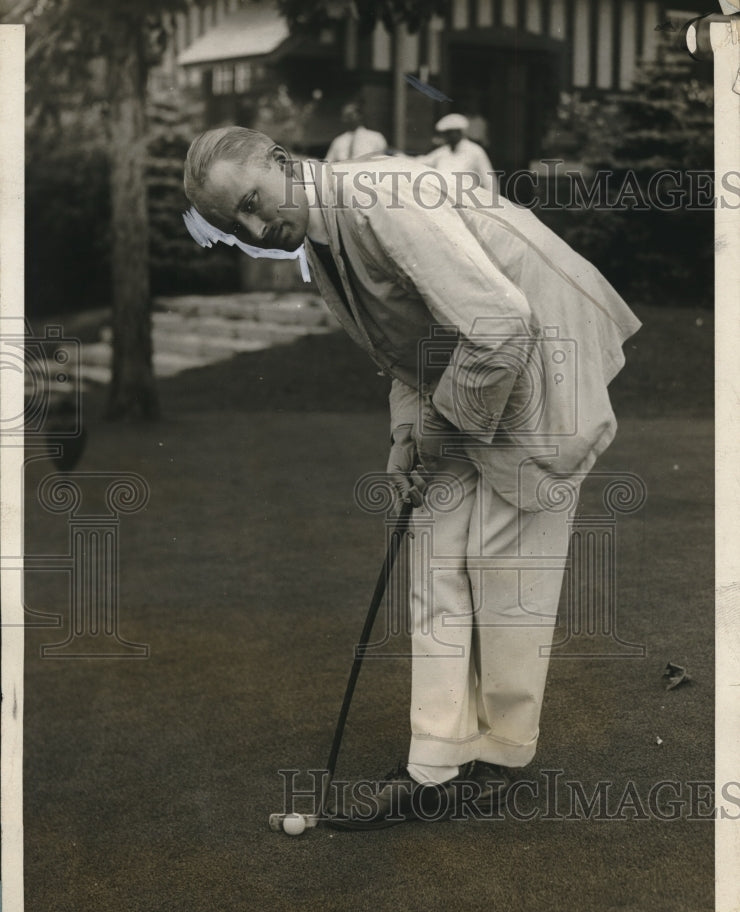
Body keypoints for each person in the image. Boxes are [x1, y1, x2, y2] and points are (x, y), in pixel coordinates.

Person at [182, 127, 641, 830]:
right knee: (435, 561)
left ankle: (501, 758)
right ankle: (433, 765)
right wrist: (406, 433)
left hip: (545, 362)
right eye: (232, 223)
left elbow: (502, 323)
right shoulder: (322, 235)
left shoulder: (377, 197)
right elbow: (411, 339)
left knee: (504, 567)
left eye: (251, 201)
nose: (255, 226)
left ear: (282, 161)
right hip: (475, 372)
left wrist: (435, 428)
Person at [420, 112, 496, 194]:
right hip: (444, 199)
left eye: (450, 133)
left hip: (468, 199)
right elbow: (423, 161)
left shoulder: (475, 151)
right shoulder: (443, 151)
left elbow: (489, 180)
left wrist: (490, 202)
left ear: (459, 132)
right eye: (446, 133)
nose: (447, 136)